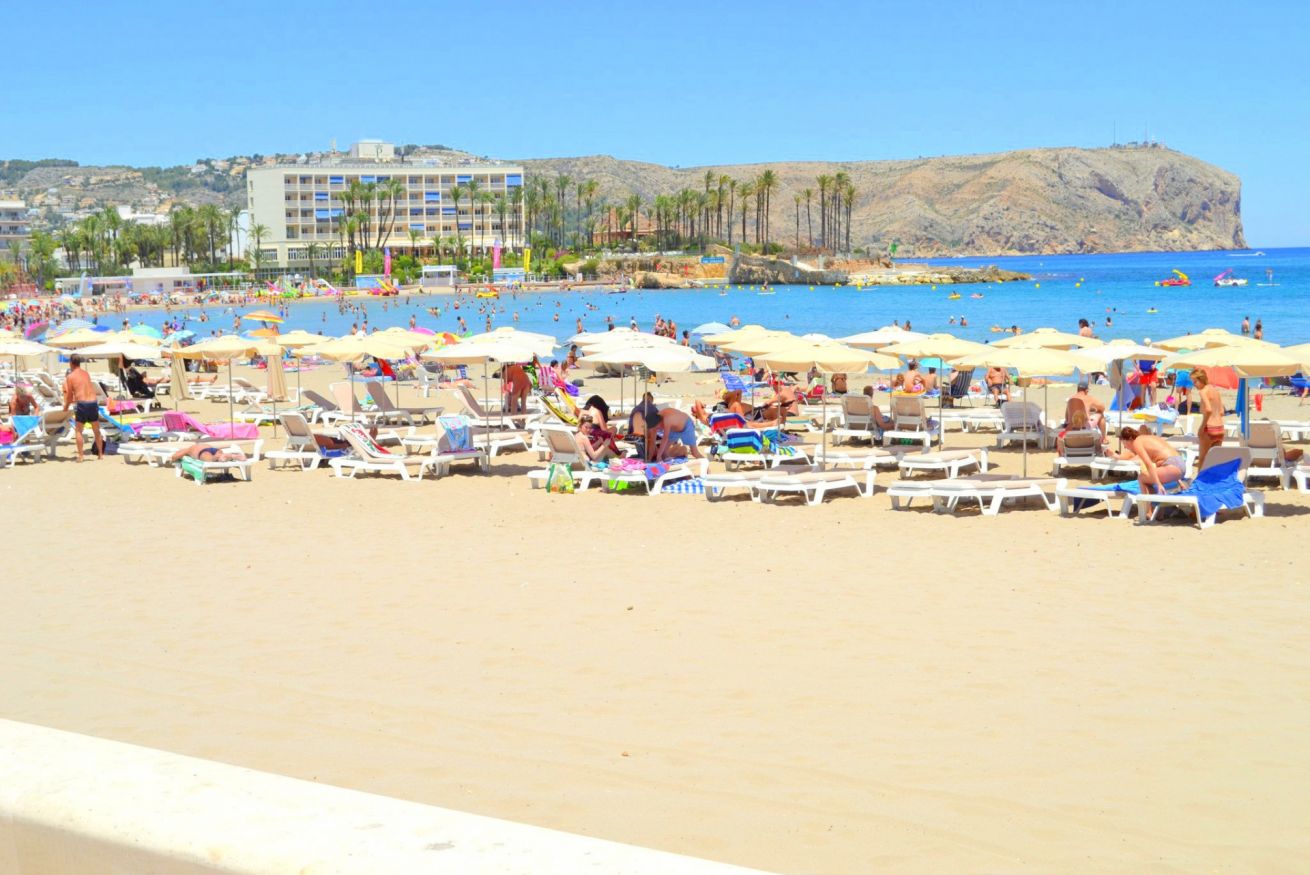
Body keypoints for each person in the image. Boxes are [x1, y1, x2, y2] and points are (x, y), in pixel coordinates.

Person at [1111, 426, 1185, 493]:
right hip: (1181, 465)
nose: (1125, 447)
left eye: (1124, 444)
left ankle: (1148, 503)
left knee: (1141, 478)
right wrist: (1179, 481)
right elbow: (1167, 458)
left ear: (1130, 439)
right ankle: (1152, 502)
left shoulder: (1137, 443)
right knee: (1150, 476)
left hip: (1172, 467)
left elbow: (1149, 464)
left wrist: (1158, 484)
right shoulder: (1150, 438)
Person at [62, 354, 103, 461]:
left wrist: (66, 407)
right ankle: (100, 454)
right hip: (93, 402)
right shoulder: (86, 373)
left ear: (71, 363)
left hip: (82, 404)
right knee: (96, 430)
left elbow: (69, 396)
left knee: (79, 430)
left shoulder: (70, 376)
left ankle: (81, 456)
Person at [1194, 369, 1224, 468]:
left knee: (1202, 460)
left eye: (1195, 381)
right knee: (1215, 461)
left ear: (1201, 379)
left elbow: (1208, 410)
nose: (1194, 385)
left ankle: (1199, 478)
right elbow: (1221, 411)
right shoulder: (1216, 391)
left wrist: (1202, 427)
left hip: (1209, 428)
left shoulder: (1203, 392)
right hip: (1220, 428)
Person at [169, 443, 248, 463]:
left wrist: (172, 459)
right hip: (213, 449)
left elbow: (175, 457)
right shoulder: (195, 446)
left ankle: (230, 456)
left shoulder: (188, 450)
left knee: (211, 459)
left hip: (203, 452)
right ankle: (232, 456)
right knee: (219, 455)